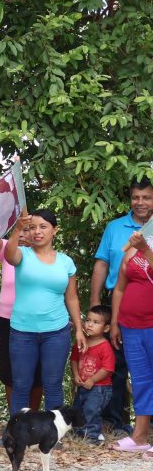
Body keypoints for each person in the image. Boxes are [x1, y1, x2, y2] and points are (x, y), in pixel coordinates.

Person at [4, 209, 86, 414]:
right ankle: (17, 433)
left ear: (54, 230)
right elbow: (9, 255)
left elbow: (72, 297)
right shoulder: (23, 254)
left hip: (56, 331)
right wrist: (18, 229)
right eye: (32, 228)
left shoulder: (66, 262)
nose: (37, 232)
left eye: (43, 227)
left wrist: (78, 328)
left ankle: (53, 435)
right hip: (22, 331)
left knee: (53, 384)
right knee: (21, 384)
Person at [91, 177, 153, 435]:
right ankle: (116, 423)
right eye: (136, 197)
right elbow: (102, 264)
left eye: (146, 197)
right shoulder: (115, 228)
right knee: (116, 369)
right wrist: (96, 305)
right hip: (119, 308)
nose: (140, 202)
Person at [110, 230, 153, 454]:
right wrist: (116, 322)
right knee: (141, 380)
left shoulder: (143, 245)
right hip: (131, 326)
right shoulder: (135, 243)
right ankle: (140, 437)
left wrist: (145, 248)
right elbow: (119, 287)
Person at [0, 232, 43, 412]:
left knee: (38, 373)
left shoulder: (44, 253)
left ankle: (33, 419)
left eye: (28, 229)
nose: (22, 234)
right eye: (18, 230)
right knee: (10, 372)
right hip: (8, 319)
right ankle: (16, 420)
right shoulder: (6, 248)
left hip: (37, 321)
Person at [70, 305, 116, 444]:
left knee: (91, 410)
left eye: (96, 322)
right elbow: (74, 359)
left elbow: (107, 369)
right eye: (88, 320)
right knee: (78, 409)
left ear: (106, 328)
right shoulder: (82, 341)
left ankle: (92, 437)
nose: (90, 324)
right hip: (83, 385)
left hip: (99, 388)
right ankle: (79, 433)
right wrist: (76, 375)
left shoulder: (105, 347)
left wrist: (92, 379)